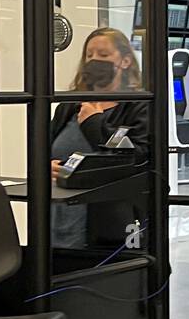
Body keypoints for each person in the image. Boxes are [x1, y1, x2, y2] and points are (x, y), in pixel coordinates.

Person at [50, 27, 149, 251]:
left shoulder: (138, 106)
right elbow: (42, 149)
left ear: (125, 61)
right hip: (60, 220)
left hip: (110, 225)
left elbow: (133, 158)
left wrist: (94, 123)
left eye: (103, 55)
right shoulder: (69, 105)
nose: (94, 60)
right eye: (89, 55)